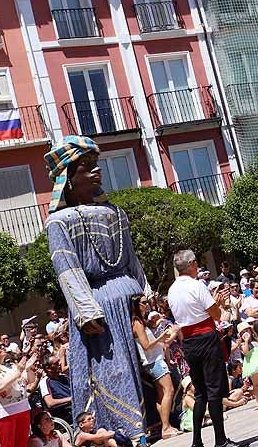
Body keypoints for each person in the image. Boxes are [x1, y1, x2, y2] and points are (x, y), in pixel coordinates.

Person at [43, 137, 148, 442]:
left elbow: (131, 258)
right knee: (110, 374)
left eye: (94, 165)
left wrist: (143, 295)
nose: (96, 171)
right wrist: (87, 312)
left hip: (125, 301)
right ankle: (118, 435)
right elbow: (69, 271)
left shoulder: (116, 212)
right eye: (85, 167)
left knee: (144, 371)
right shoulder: (59, 221)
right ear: (67, 178)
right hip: (98, 305)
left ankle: (144, 430)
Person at [167, 250, 236, 447]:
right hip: (205, 337)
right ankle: (220, 441)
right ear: (191, 264)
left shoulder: (172, 290)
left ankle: (197, 441)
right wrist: (218, 302)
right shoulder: (195, 285)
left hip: (189, 342)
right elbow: (215, 314)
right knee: (213, 390)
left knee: (200, 393)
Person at [129, 296, 178, 439]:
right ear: (137, 305)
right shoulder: (137, 322)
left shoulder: (141, 321)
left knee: (162, 394)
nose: (147, 305)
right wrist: (161, 337)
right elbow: (146, 345)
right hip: (154, 361)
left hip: (154, 360)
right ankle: (166, 427)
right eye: (144, 303)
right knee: (169, 390)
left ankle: (165, 425)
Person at [0, 339, 37, 447]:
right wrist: (18, 371)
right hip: (4, 412)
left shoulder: (12, 366)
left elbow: (29, 380)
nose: (2, 347)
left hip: (23, 408)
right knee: (8, 445)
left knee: (22, 444)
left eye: (3, 345)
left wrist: (29, 368)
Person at [38, 356, 73, 426]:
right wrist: (70, 399)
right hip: (65, 412)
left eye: (59, 361)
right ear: (48, 368)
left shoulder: (65, 377)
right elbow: (50, 403)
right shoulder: (45, 382)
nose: (60, 364)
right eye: (56, 363)